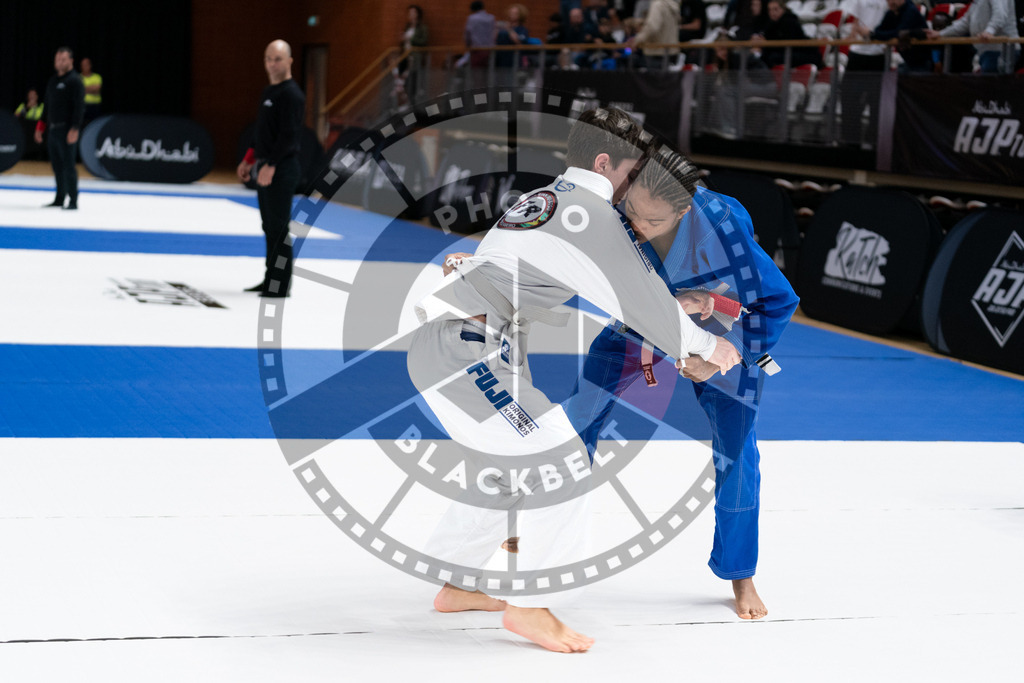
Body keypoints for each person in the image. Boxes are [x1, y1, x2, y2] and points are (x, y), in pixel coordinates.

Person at [407, 108, 742, 652]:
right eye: (633, 174)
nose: (635, 188)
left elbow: (581, 283)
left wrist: (671, 317)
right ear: (604, 162)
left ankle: (458, 583)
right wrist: (709, 346)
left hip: (456, 346)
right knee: (560, 458)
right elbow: (640, 300)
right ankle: (531, 606)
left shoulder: (539, 201)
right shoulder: (591, 214)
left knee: (512, 464)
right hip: (467, 354)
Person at [562, 150, 799, 620]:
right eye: (632, 212)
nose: (637, 226)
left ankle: (740, 573)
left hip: (726, 327)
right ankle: (537, 526)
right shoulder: (618, 211)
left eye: (651, 220)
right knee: (578, 418)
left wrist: (714, 360)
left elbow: (776, 302)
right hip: (646, 319)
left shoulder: (724, 230)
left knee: (738, 450)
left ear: (682, 212)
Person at [236, 39, 305, 298]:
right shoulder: (269, 92)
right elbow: (262, 132)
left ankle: (280, 284)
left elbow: (289, 136)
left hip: (282, 167)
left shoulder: (291, 95)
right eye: (268, 59)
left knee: (278, 226)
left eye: (277, 59)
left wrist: (272, 165)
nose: (272, 64)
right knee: (269, 226)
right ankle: (270, 278)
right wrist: (249, 158)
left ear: (289, 61)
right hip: (266, 164)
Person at [35, 47, 84, 210]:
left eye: (63, 59)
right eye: (57, 60)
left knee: (68, 165)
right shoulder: (53, 81)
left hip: (67, 129)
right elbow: (47, 106)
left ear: (71, 61)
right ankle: (59, 197)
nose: (59, 62)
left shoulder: (75, 80)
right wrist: (40, 127)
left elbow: (79, 107)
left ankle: (73, 200)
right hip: (53, 129)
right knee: (57, 165)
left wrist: (75, 128)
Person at [838, 0, 889, 146]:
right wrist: (853, 35)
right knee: (849, 99)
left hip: (878, 53)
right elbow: (856, 19)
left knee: (876, 102)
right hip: (857, 53)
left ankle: (873, 140)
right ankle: (850, 140)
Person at [925, 0, 1020, 73]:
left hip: (1002, 50)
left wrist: (989, 31)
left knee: (992, 89)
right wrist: (940, 33)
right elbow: (965, 22)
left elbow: (1000, 15)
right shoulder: (976, 2)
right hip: (985, 51)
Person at [854, 0, 931, 72]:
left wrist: (872, 34)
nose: (890, 2)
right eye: (888, 0)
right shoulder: (892, 12)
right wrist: (871, 33)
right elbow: (880, 29)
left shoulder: (911, 11)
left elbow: (898, 33)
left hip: (921, 63)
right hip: (908, 61)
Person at [753, 0, 822, 67]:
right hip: (787, 53)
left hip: (803, 54)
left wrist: (766, 44)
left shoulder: (790, 22)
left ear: (783, 10)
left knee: (770, 58)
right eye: (770, 10)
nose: (772, 12)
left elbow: (786, 43)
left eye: (775, 9)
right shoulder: (771, 24)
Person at [626, 0, 682, 69]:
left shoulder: (658, 5)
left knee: (655, 78)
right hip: (671, 50)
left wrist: (637, 40)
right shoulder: (672, 5)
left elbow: (653, 27)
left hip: (656, 51)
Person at [399, 5, 428, 103]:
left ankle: (413, 101)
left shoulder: (422, 28)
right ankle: (406, 100)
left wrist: (409, 39)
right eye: (409, 13)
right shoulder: (407, 26)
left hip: (415, 57)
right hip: (405, 55)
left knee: (413, 79)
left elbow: (423, 40)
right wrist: (402, 39)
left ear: (417, 14)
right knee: (402, 78)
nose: (410, 15)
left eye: (413, 13)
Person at [495, 3, 530, 68]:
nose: (512, 15)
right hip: (499, 59)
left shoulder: (522, 29)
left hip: (512, 60)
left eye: (515, 13)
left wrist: (509, 29)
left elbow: (518, 41)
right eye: (511, 13)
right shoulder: (503, 28)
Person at [464, 1, 497, 68]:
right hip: (490, 50)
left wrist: (467, 45)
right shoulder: (491, 18)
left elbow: (468, 33)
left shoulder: (472, 18)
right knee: (488, 72)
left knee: (476, 72)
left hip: (477, 50)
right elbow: (494, 32)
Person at [15, 88, 45, 161]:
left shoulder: (42, 106)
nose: (32, 97)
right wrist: (27, 108)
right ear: (27, 96)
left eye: (33, 95)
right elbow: (15, 117)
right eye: (30, 95)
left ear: (37, 96)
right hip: (26, 132)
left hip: (38, 130)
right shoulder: (23, 106)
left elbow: (45, 117)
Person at [80, 57, 102, 126]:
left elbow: (97, 90)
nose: (85, 67)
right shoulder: (78, 78)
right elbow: (78, 91)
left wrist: (84, 89)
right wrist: (91, 88)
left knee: (95, 125)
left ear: (90, 65)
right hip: (82, 106)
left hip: (95, 106)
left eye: (86, 65)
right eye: (83, 65)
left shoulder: (97, 77)